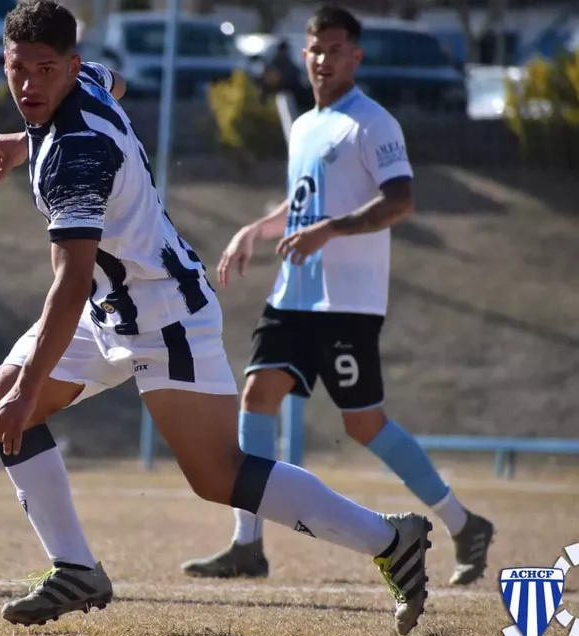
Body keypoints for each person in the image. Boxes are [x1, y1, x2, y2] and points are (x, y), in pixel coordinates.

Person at [0, 0, 431, 636]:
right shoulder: (83, 81)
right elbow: (116, 82)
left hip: (164, 315)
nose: (28, 84)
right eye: (16, 68)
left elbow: (70, 278)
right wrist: (26, 138)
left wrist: (34, 392)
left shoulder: (75, 156)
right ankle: (76, 568)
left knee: (218, 476)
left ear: (70, 65)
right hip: (110, 307)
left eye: (43, 69)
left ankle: (390, 541)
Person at [180, 5, 494, 587]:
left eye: (335, 48)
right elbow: (300, 206)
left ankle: (462, 522)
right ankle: (246, 545)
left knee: (363, 425)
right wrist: (257, 228)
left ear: (356, 55)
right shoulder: (304, 125)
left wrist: (331, 230)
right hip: (292, 297)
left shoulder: (372, 123)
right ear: (305, 55)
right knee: (256, 395)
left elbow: (399, 201)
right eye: (315, 49)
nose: (323, 59)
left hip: (346, 303)